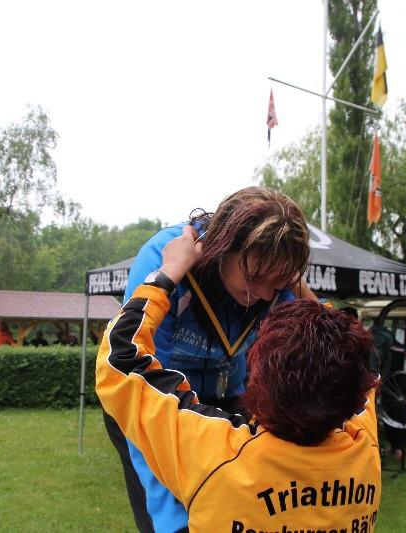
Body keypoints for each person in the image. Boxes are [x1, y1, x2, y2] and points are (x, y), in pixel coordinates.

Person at [95, 230, 380, 531]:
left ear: (259, 384)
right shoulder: (364, 444)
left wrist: (166, 275)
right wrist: (295, 283)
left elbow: (119, 361)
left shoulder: (217, 453)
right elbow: (360, 359)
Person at [105, 186, 312, 533]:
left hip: (225, 398)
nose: (264, 294)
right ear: (223, 248)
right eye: (254, 278)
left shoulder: (273, 282)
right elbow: (141, 393)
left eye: (277, 283)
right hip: (148, 398)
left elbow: (331, 345)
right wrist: (173, 524)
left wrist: (297, 288)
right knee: (176, 519)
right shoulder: (165, 257)